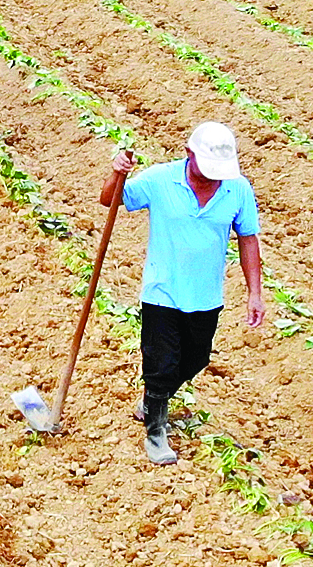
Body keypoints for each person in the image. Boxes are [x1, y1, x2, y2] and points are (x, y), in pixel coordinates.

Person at [101, 122, 265, 466]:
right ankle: (156, 431)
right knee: (161, 365)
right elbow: (110, 201)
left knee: (196, 358)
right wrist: (116, 174)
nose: (213, 179)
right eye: (207, 172)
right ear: (188, 154)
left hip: (206, 296)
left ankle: (151, 402)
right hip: (162, 290)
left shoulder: (237, 189)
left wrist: (255, 292)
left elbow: (248, 238)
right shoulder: (161, 179)